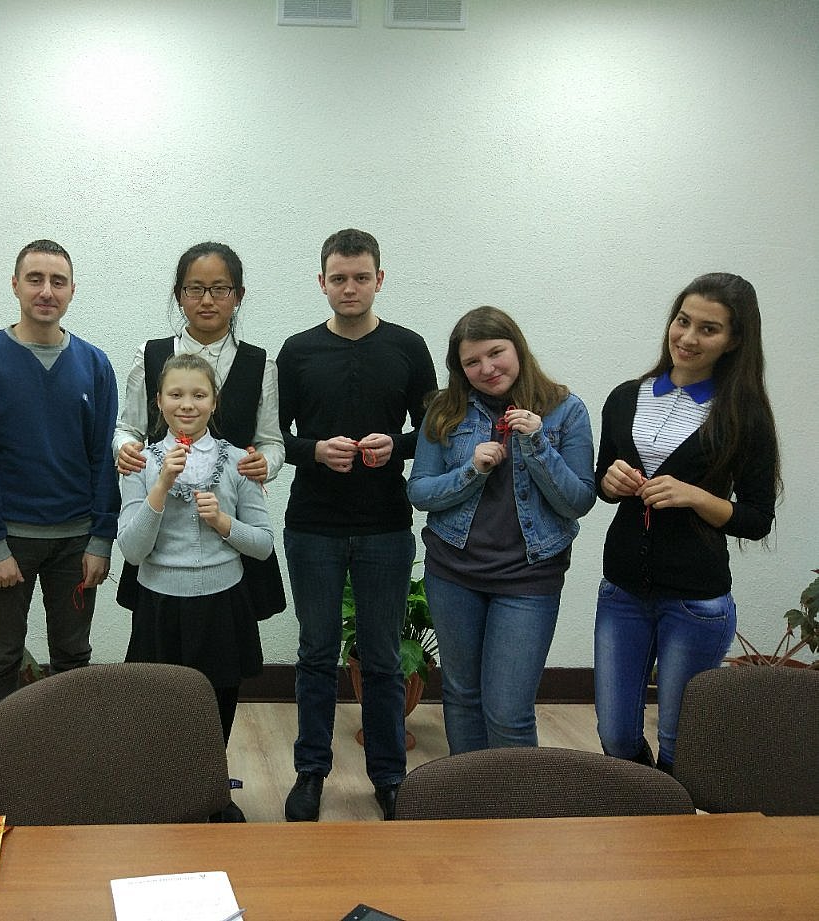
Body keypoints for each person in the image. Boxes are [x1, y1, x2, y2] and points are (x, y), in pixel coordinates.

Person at [277, 228, 437, 821]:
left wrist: (397, 445)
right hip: (313, 524)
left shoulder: (408, 346)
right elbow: (274, 438)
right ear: (322, 282)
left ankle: (389, 777)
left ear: (379, 280)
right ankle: (310, 773)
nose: (350, 287)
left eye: (361, 277)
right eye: (339, 278)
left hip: (385, 525)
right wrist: (315, 451)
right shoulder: (297, 351)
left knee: (383, 657)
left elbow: (436, 430)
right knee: (316, 654)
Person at [593, 272, 779, 774]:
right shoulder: (625, 397)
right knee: (615, 734)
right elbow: (601, 481)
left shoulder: (745, 416)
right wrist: (609, 481)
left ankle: (672, 816)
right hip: (622, 591)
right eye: (683, 321)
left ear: (734, 341)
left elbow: (757, 519)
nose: (688, 338)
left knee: (679, 740)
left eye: (708, 329)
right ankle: (645, 803)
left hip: (696, 601)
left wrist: (697, 497)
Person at [407, 306, 596, 754]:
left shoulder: (565, 410)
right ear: (460, 369)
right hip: (453, 574)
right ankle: (470, 795)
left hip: (529, 578)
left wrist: (537, 444)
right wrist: (471, 470)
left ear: (518, 348)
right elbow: (420, 491)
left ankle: (515, 797)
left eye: (496, 353)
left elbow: (578, 500)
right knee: (462, 696)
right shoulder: (445, 410)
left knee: (509, 711)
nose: (487, 368)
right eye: (472, 362)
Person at [0, 239, 120, 747]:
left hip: (76, 542)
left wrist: (101, 539)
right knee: (0, 658)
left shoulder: (94, 363)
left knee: (73, 657)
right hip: (8, 539)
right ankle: (1, 770)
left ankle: (67, 765)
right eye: (35, 279)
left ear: (72, 290)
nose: (46, 291)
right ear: (15, 285)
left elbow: (103, 458)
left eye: (58, 281)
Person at [114, 241, 285, 619]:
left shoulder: (260, 363)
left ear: (238, 295)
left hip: (231, 519)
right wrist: (124, 448)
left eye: (220, 288)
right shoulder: (150, 354)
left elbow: (271, 441)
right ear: (179, 295)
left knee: (229, 627)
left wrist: (265, 463)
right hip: (163, 526)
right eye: (195, 288)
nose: (207, 299)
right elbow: (128, 427)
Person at [118, 353, 273, 752]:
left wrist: (223, 522)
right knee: (159, 714)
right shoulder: (139, 462)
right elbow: (132, 551)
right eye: (176, 394)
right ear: (158, 401)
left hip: (222, 604)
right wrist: (161, 486)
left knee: (216, 710)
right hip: (159, 606)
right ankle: (166, 784)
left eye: (199, 395)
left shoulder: (239, 460)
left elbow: (263, 545)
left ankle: (211, 781)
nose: (187, 404)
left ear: (214, 402)